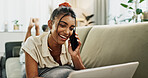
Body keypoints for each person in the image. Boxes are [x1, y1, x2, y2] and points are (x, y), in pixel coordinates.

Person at [22, 2, 85, 78]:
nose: (67, 32)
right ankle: (31, 28)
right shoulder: (32, 43)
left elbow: (83, 73)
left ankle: (37, 28)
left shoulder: (70, 45)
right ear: (50, 24)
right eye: (62, 25)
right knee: (24, 49)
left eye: (71, 28)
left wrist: (75, 56)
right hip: (30, 49)